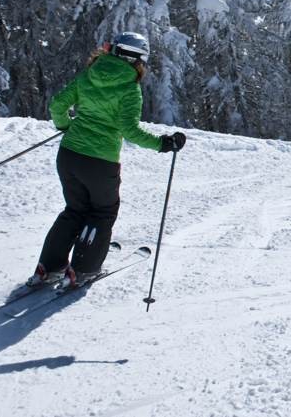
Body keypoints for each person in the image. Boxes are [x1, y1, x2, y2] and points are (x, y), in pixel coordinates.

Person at [29, 32, 186, 288]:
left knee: (74, 210)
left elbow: (58, 104)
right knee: (102, 212)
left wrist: (65, 127)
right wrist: (163, 144)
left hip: (68, 154)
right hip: (100, 161)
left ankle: (49, 267)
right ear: (137, 59)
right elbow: (130, 131)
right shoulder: (129, 88)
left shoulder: (90, 73)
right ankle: (83, 270)